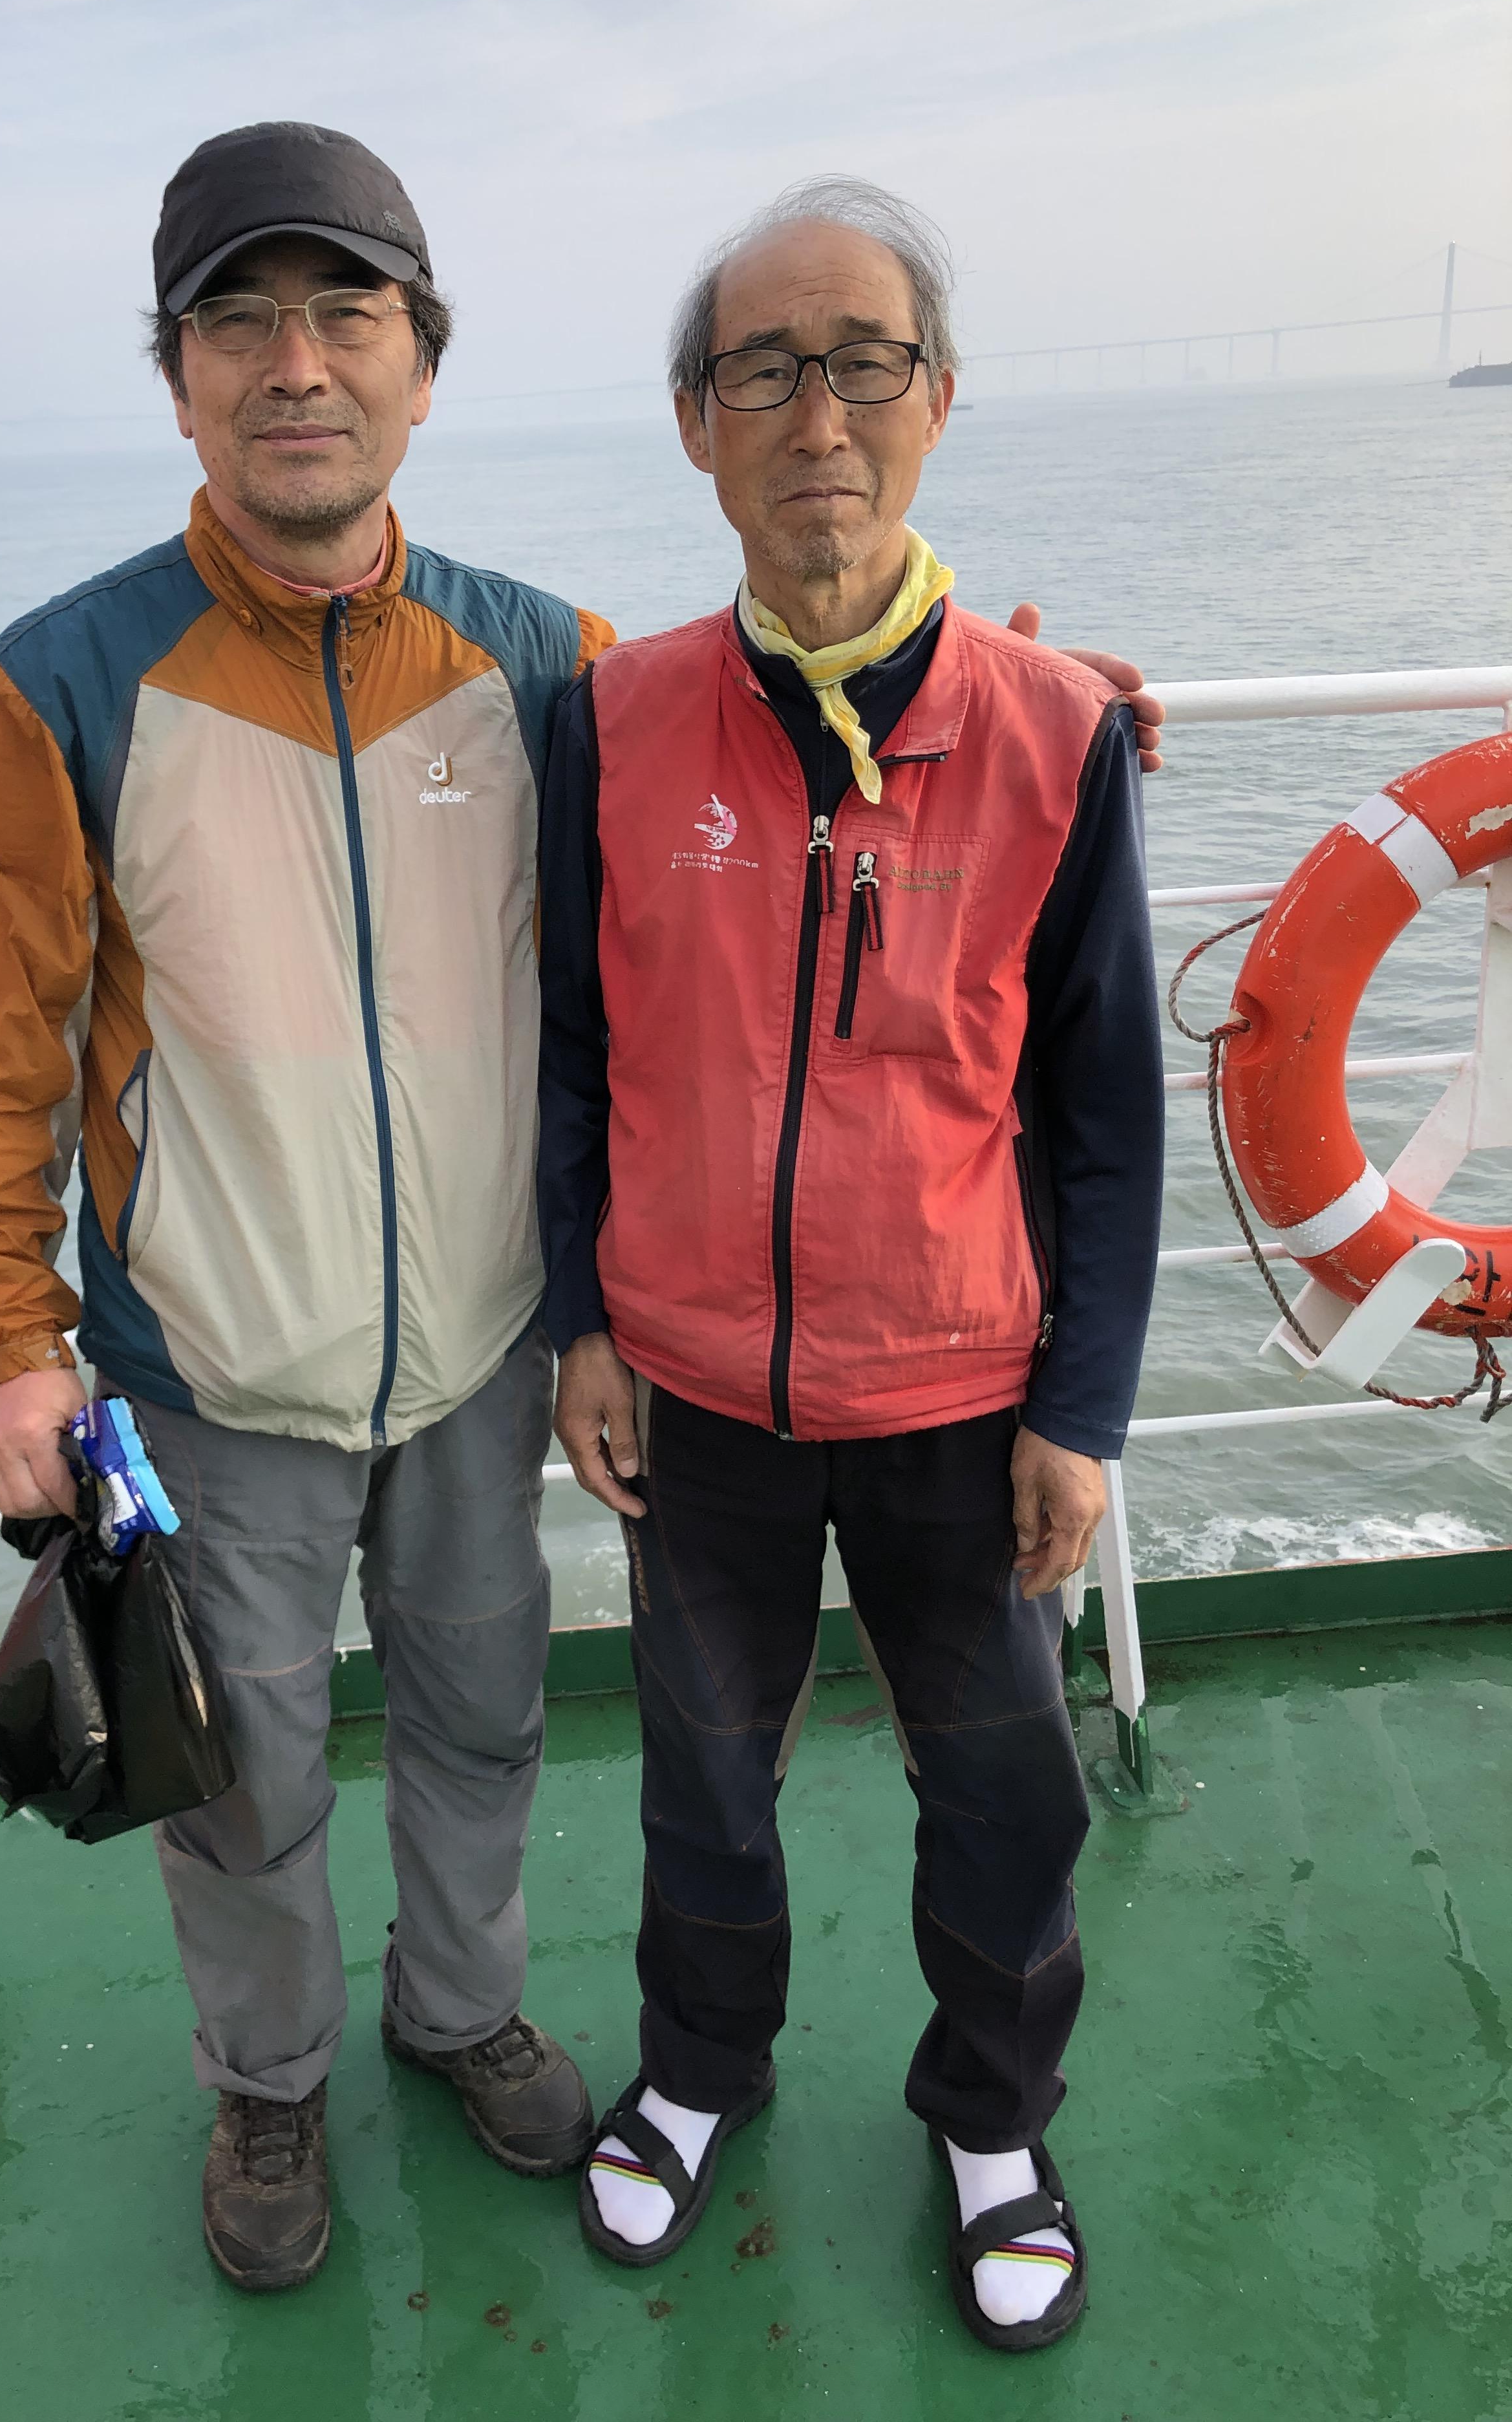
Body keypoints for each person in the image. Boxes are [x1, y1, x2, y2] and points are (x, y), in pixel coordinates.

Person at [0, 127, 1162, 2300]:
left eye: (349, 316)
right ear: (178, 375)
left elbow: (809, 745)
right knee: (247, 1771)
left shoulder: (545, 670)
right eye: (240, 323)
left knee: (492, 1717)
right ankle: (271, 2080)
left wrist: (1048, 703)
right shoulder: (62, 682)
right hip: (214, 1351)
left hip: (499, 1346)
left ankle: (462, 2010)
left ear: (424, 366)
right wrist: (10, 1336)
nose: (298, 366)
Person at [538, 177, 1166, 2352]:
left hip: (962, 1393)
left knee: (1000, 1787)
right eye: (765, 370)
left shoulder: (1056, 732)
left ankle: (992, 2117)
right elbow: (575, 1049)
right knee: (705, 1773)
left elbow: (1106, 1108)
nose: (818, 415)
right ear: (695, 425)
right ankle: (701, 2069)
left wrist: (1081, 1410)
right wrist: (582, 1318)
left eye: (865, 362)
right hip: (694, 1389)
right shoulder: (611, 720)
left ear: (939, 398)